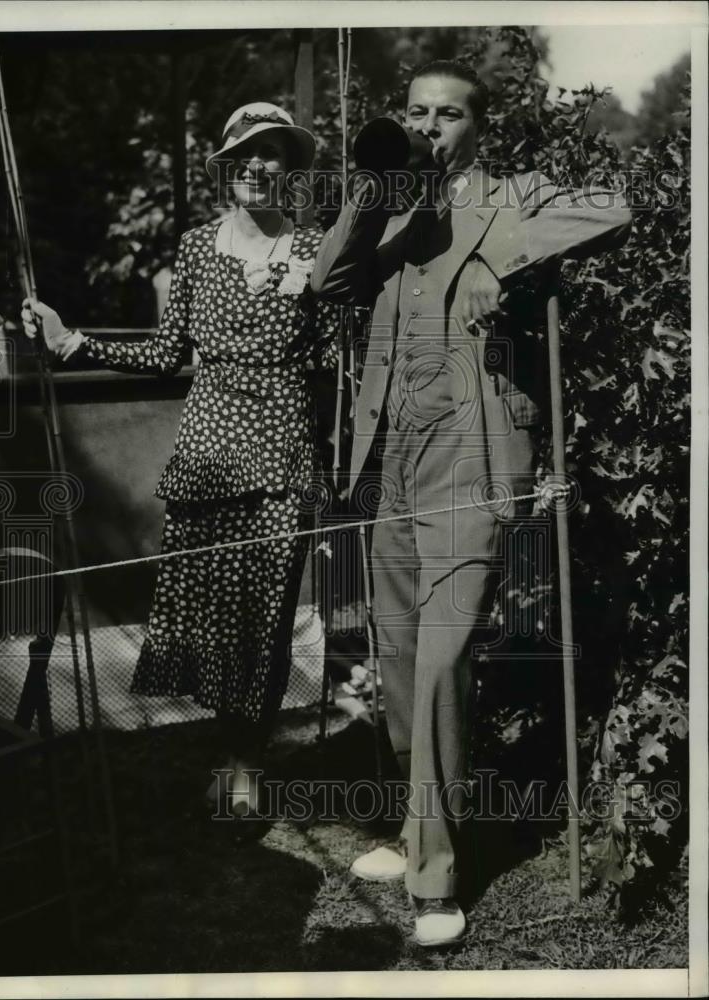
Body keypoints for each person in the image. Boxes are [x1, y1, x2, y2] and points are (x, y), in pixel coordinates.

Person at [310, 60, 632, 947]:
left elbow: (611, 205)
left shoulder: (511, 195)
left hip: (470, 452)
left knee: (446, 659)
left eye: (446, 116)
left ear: (477, 126)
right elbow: (328, 285)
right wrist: (373, 194)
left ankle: (437, 879)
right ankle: (420, 828)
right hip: (390, 460)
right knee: (403, 652)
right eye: (415, 112)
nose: (428, 127)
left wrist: (500, 252)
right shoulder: (395, 212)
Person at [22, 102, 338, 819]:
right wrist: (74, 342)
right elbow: (168, 354)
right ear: (227, 167)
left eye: (274, 153)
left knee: (265, 619)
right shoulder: (197, 248)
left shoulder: (317, 247)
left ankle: (245, 764)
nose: (258, 166)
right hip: (207, 455)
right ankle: (228, 754)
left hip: (281, 453)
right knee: (214, 618)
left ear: (289, 167)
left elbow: (332, 353)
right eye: (245, 154)